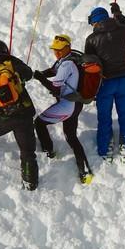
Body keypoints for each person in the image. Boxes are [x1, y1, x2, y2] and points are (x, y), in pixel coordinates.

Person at [0, 39, 39, 190]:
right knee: (27, 151)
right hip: (23, 114)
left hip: (2, 117)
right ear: (6, 51)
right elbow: (29, 74)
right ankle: (30, 183)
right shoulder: (12, 62)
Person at [33, 34, 94, 184]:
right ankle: (85, 172)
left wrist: (40, 78)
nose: (57, 52)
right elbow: (53, 71)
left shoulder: (67, 65)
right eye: (55, 49)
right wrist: (39, 74)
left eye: (60, 50)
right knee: (71, 137)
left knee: (39, 123)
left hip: (68, 105)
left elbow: (54, 86)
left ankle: (49, 152)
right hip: (75, 103)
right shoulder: (67, 59)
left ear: (68, 47)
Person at [84, 3, 125, 161]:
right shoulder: (121, 30)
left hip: (105, 83)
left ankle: (105, 149)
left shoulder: (92, 39)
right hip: (124, 81)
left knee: (104, 117)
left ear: (95, 21)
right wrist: (119, 15)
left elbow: (90, 66)